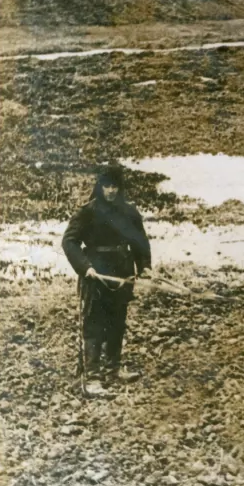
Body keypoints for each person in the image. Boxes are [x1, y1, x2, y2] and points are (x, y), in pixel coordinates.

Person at [62, 163, 152, 398]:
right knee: (94, 323)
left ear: (121, 188)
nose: (111, 191)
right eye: (107, 186)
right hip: (96, 275)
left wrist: (144, 267)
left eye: (115, 186)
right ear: (100, 187)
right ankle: (92, 377)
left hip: (123, 272)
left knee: (117, 320)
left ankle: (112, 369)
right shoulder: (88, 211)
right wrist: (85, 267)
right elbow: (69, 242)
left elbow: (140, 241)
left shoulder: (129, 212)